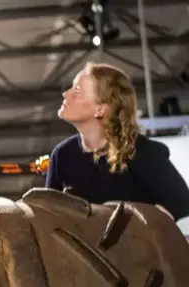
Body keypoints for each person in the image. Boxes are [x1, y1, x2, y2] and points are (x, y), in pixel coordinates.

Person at [46, 61, 189, 220]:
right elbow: (49, 214)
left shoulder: (141, 151)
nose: (66, 94)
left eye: (77, 90)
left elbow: (181, 201)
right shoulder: (62, 155)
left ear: (100, 110)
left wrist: (143, 231)